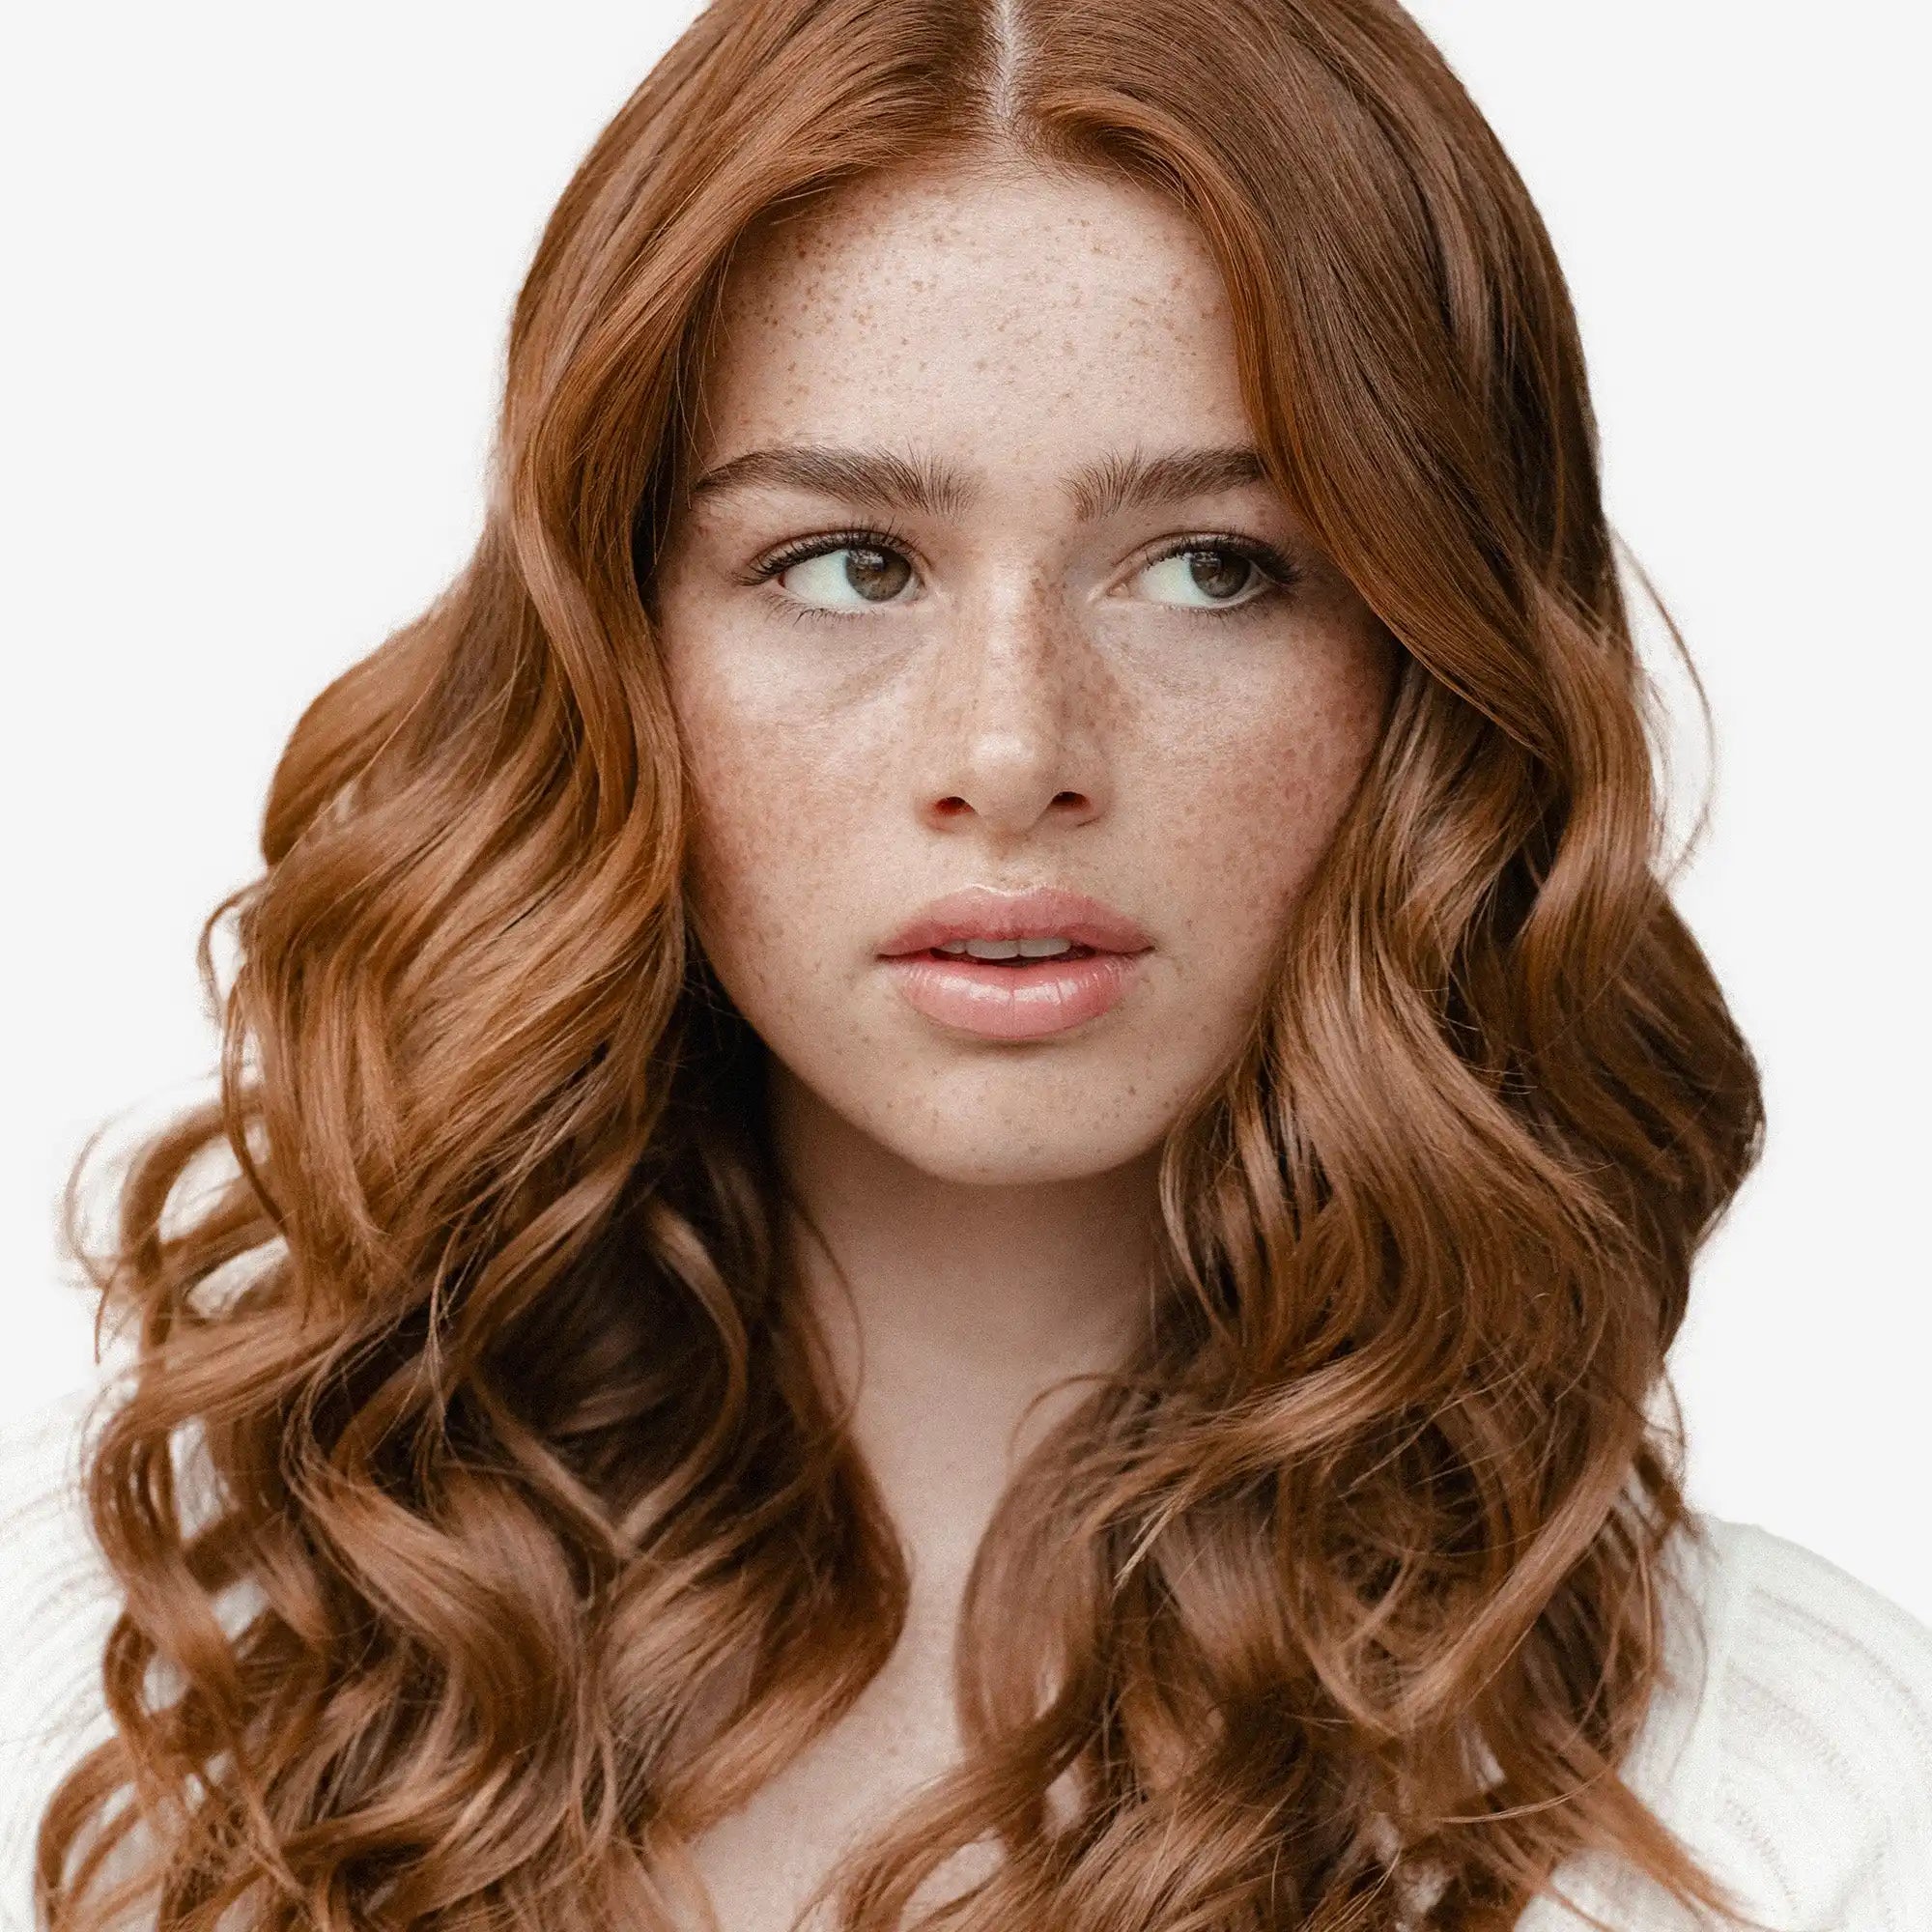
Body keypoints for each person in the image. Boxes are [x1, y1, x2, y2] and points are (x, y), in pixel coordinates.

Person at [5, 1, 1930, 1928]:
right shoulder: (128, 1700)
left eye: (1212, 565)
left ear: (1426, 669)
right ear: (619, 644)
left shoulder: (1799, 1800)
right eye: (847, 559)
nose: (1011, 755)